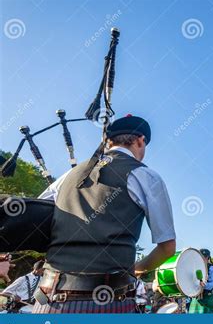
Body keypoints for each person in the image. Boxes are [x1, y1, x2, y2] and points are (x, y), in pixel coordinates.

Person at [33, 115, 176, 313]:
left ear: (109, 142)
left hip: (48, 301)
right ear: (140, 140)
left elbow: (35, 218)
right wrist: (136, 269)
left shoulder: (68, 176)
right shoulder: (146, 175)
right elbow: (167, 247)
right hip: (109, 302)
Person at [189, 249, 213, 313]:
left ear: (207, 257)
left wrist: (205, 285)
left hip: (207, 297)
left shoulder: (211, 267)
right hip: (195, 298)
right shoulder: (194, 267)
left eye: (203, 256)